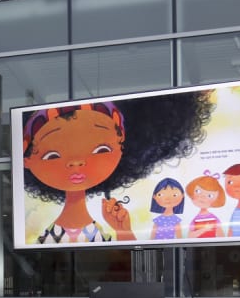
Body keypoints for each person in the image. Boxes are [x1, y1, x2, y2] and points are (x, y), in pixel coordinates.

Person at [20, 92, 213, 244]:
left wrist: (123, 229)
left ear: (123, 146)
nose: (76, 162)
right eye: (53, 155)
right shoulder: (45, 237)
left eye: (100, 149)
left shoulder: (104, 228)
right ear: (27, 160)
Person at [186, 172, 226, 238]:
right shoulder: (195, 219)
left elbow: (221, 236)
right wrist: (204, 229)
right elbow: (190, 236)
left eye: (210, 195)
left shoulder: (214, 219)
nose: (203, 197)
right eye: (198, 191)